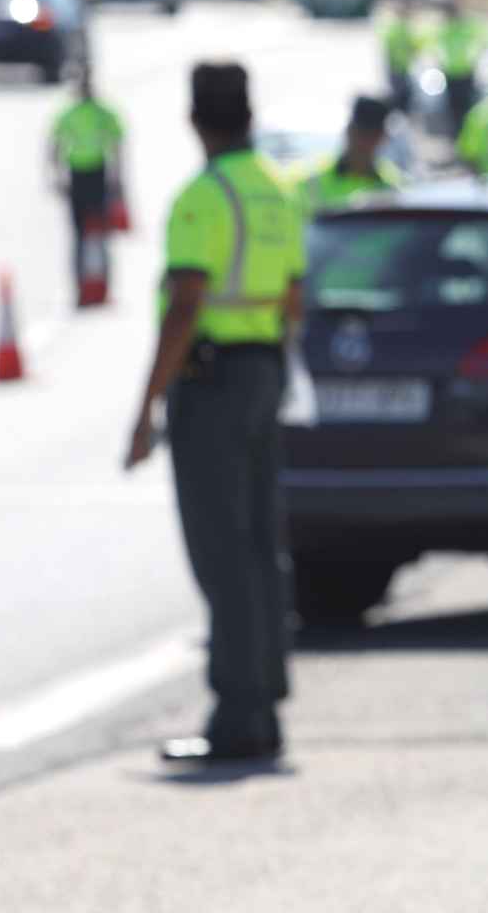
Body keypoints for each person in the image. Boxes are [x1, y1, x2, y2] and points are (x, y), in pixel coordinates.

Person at [124, 61, 306, 764]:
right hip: (262, 371)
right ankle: (264, 704)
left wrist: (147, 406)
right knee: (261, 546)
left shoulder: (201, 199)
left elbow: (185, 306)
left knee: (220, 552)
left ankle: (236, 713)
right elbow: (294, 299)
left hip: (213, 383)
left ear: (195, 120)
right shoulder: (278, 193)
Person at [51, 72, 125, 279]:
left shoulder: (74, 113)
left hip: (88, 174)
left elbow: (56, 146)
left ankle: (91, 279)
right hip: (90, 175)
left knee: (86, 232)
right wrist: (118, 178)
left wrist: (57, 176)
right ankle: (90, 279)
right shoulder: (101, 112)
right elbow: (117, 143)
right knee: (93, 231)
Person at [296, 96, 402, 217]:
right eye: (361, 132)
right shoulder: (311, 180)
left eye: (372, 135)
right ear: (349, 130)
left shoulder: (393, 184)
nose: (364, 141)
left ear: (383, 138)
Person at [435, 0, 488, 135]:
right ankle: (457, 137)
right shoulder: (445, 28)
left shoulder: (468, 26)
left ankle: (467, 135)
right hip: (451, 73)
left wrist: (474, 58)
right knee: (454, 110)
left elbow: (483, 40)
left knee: (468, 109)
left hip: (466, 73)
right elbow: (437, 46)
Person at [380, 0, 420, 113]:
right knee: (399, 98)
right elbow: (389, 50)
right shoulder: (396, 30)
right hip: (397, 69)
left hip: (404, 68)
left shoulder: (405, 29)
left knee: (405, 97)